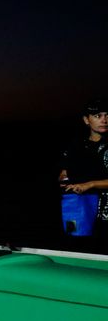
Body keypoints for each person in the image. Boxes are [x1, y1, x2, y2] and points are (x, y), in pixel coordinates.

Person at [58, 98, 108, 252]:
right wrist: (64, 178)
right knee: (83, 251)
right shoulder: (77, 145)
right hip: (82, 209)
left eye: (107, 115)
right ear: (87, 120)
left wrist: (90, 184)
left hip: (105, 214)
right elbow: (64, 174)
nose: (104, 120)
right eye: (97, 116)